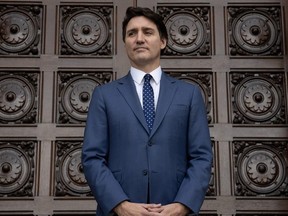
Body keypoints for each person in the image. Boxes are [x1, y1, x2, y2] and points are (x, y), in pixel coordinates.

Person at [82, 6, 212, 216]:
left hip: (174, 210)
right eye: (131, 33)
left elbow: (201, 157)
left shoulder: (188, 94)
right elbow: (92, 157)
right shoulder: (104, 95)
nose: (139, 39)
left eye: (147, 32)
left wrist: (183, 205)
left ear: (163, 41)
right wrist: (120, 204)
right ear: (125, 43)